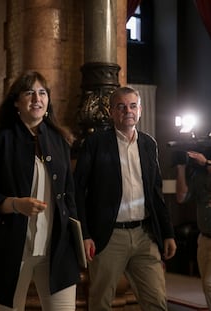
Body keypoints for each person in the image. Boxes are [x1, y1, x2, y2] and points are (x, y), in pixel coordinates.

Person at [0, 71, 80, 311]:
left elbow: (70, 196)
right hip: (13, 249)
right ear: (16, 102)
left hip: (57, 249)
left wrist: (79, 237)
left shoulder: (60, 140)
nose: (37, 98)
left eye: (42, 93)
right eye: (29, 93)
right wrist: (15, 204)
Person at [74, 86, 177, 310]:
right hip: (109, 237)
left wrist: (167, 233)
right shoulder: (96, 143)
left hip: (145, 236)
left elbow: (156, 192)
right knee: (100, 302)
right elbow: (78, 190)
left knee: (157, 302)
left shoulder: (149, 144)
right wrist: (85, 234)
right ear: (111, 112)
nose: (127, 111)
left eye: (132, 106)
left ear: (140, 110)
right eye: (121, 106)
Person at [175, 150, 211, 308]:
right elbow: (181, 196)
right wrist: (181, 168)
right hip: (204, 239)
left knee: (210, 284)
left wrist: (207, 163)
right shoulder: (199, 177)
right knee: (205, 284)